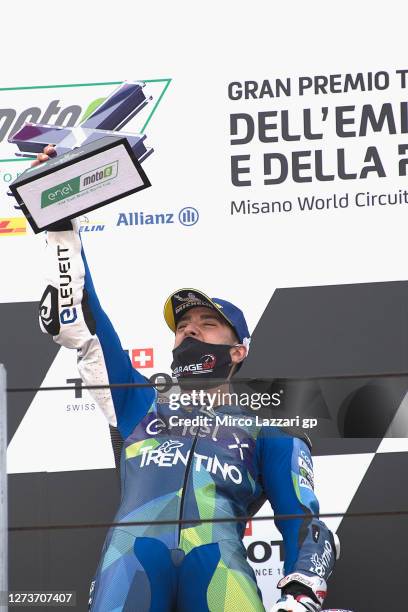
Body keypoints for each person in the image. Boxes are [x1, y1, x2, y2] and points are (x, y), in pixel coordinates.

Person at [35, 146, 338, 612]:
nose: (190, 328)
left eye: (206, 322)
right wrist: (60, 221)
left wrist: (301, 591)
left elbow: (305, 521)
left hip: (220, 569)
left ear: (238, 351)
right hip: (129, 564)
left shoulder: (269, 423)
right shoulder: (138, 402)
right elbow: (88, 324)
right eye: (182, 325)